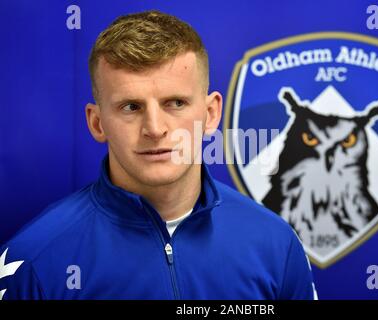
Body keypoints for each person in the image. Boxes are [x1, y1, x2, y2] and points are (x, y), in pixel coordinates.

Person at [0, 10, 316, 300]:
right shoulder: (34, 262)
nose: (155, 128)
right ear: (98, 123)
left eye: (175, 103)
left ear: (210, 113)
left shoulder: (276, 245)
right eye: (131, 107)